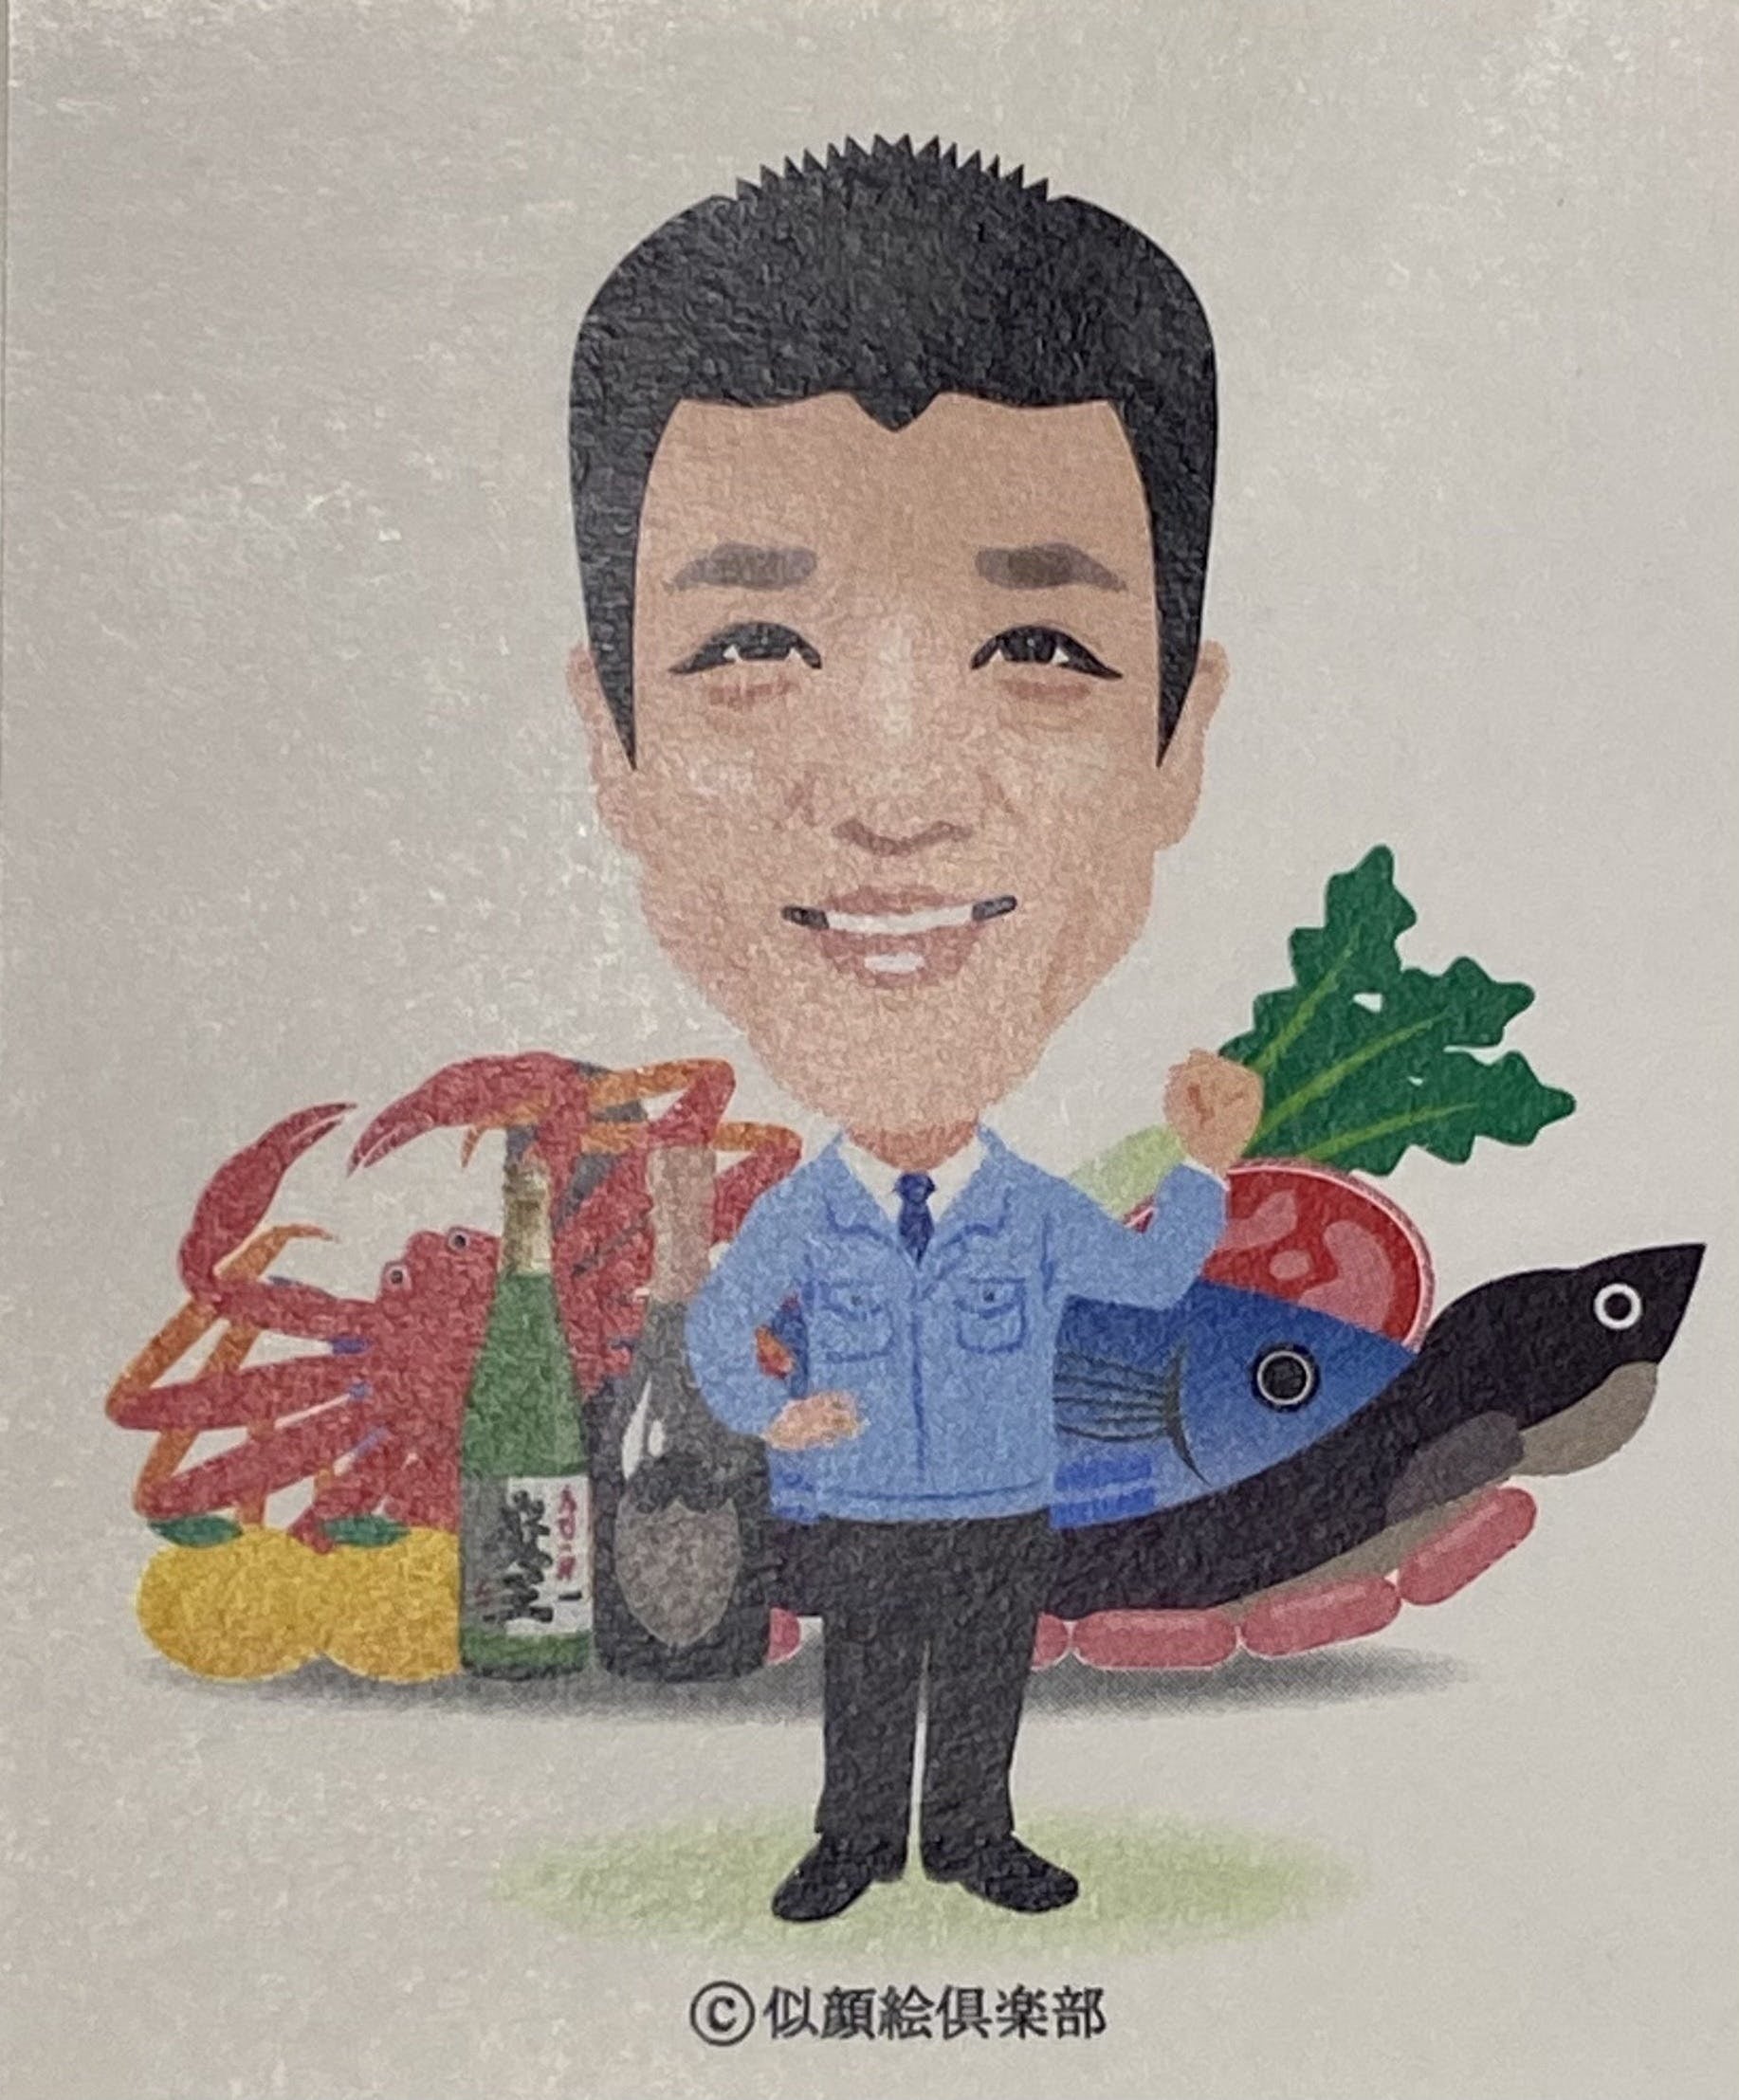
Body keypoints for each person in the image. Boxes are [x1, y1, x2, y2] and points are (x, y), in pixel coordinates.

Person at [565, 136, 1264, 1921]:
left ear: (1178, 743)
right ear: (611, 746)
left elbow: (1139, 1284)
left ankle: (973, 1834)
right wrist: (767, 1412)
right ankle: (849, 1838)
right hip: (866, 1505)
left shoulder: (1026, 1206)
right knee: (867, 1681)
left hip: (999, 1499)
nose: (890, 802)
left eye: (1039, 645)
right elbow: (719, 1331)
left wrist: (1203, 1166)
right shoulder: (805, 1212)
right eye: (747, 645)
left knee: (985, 1686)